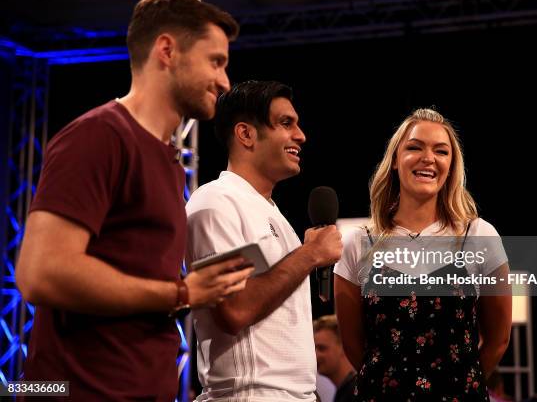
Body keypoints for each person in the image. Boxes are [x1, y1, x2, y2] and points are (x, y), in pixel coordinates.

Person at [15, 0, 253, 400]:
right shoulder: (99, 137)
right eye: (216, 61)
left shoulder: (168, 161)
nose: (226, 81)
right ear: (167, 50)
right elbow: (41, 272)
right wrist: (181, 293)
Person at [334, 108, 512, 401]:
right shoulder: (358, 242)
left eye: (441, 151)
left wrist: (458, 385)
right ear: (394, 160)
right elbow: (354, 347)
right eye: (414, 147)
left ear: (451, 165)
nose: (428, 158)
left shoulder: (479, 235)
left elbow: (498, 340)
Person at [185, 80, 343, 401]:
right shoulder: (217, 201)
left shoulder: (276, 216)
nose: (301, 135)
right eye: (286, 123)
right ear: (246, 134)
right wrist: (309, 254)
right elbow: (235, 310)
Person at [314, 315, 357, 402]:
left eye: (322, 348)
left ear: (343, 347)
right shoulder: (346, 391)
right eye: (314, 349)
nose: (315, 355)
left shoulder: (355, 392)